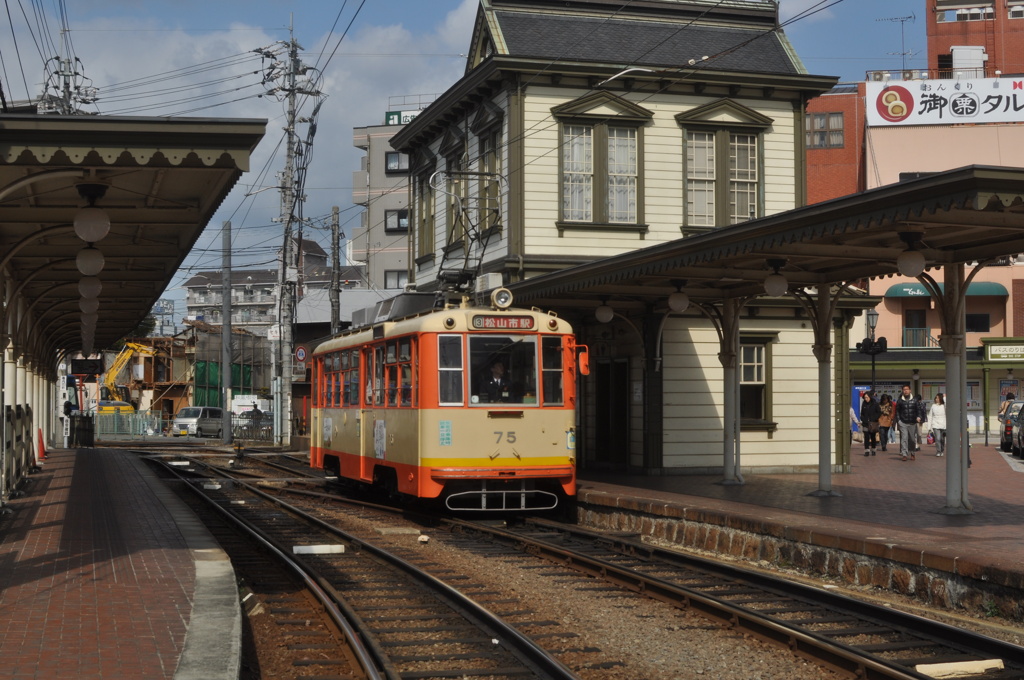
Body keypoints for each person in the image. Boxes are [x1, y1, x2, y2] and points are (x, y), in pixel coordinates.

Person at [895, 384, 922, 461]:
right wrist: (898, 421)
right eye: (904, 389)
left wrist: (919, 417)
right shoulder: (900, 400)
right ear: (902, 391)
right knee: (904, 438)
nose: (905, 391)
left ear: (910, 390)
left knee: (912, 439)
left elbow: (918, 410)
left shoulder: (914, 400)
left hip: (912, 423)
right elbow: (897, 412)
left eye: (907, 389)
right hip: (903, 422)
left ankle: (912, 453)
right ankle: (904, 454)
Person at [859, 391, 882, 457]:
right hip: (866, 423)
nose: (866, 399)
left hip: (873, 423)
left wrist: (874, 418)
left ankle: (873, 449)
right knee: (866, 437)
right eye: (864, 397)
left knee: (873, 437)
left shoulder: (875, 403)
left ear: (870, 397)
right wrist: (863, 419)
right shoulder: (864, 404)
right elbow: (862, 413)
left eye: (867, 397)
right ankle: (866, 450)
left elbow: (879, 412)